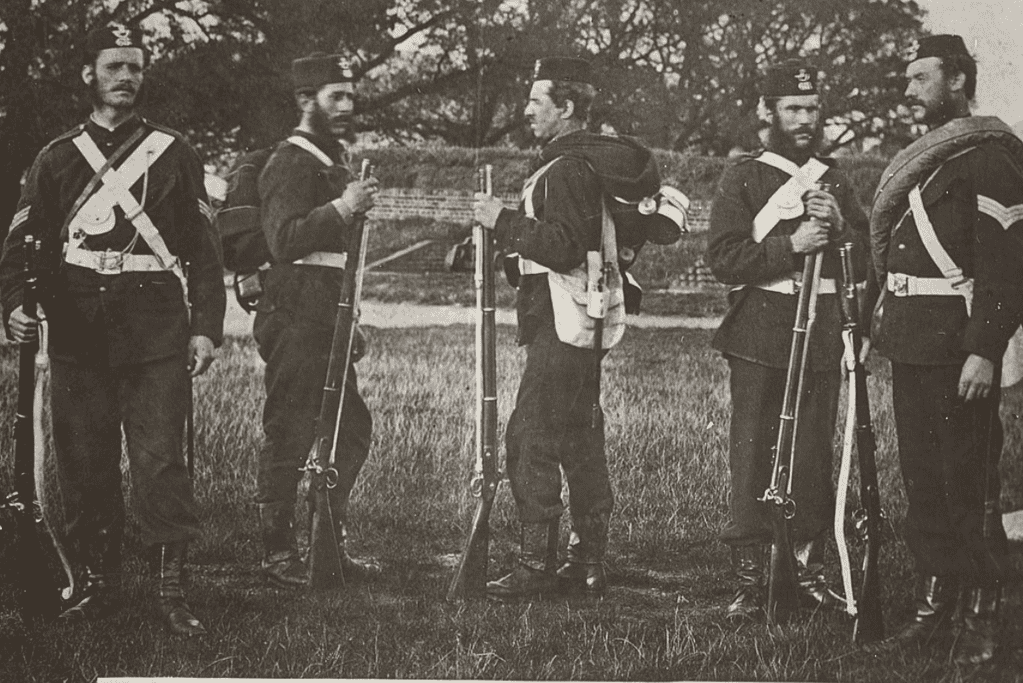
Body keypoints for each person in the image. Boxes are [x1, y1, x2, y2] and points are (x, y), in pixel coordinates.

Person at [0, 23, 225, 636]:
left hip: (156, 334)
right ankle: (99, 585)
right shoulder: (56, 158)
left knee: (161, 465)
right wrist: (17, 304)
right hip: (77, 335)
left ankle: (171, 592)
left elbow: (204, 252)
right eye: (113, 67)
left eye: (135, 67)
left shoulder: (174, 152)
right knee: (84, 465)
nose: (126, 77)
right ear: (89, 77)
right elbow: (23, 247)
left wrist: (206, 328)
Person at [473, 57, 671, 599]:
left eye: (537, 101)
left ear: (566, 108)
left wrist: (501, 221)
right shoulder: (588, 164)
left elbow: (561, 247)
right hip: (587, 318)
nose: (526, 110)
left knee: (531, 435)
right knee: (580, 439)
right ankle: (588, 561)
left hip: (562, 321)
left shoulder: (564, 169)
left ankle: (536, 568)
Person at [865, 35, 1023, 664]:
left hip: (960, 350)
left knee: (969, 481)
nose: (909, 91)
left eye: (921, 78)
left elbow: (1005, 270)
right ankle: (935, 605)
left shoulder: (990, 160)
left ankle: (983, 611)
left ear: (958, 80)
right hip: (913, 345)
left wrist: (984, 350)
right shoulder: (925, 161)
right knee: (924, 480)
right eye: (908, 78)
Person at [706, 59, 869, 621]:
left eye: (812, 108)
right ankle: (752, 581)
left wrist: (843, 232)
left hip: (820, 334)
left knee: (812, 455)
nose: (805, 119)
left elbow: (867, 257)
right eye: (793, 108)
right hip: (759, 334)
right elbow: (724, 258)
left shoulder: (837, 178)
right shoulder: (743, 177)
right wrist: (792, 243)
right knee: (752, 452)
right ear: (768, 112)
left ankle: (806, 571)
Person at [253, 53, 380, 588]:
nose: (348, 106)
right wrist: (345, 208)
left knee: (349, 429)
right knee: (289, 429)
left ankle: (326, 540)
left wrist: (352, 319)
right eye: (336, 96)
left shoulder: (334, 160)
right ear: (307, 100)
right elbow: (283, 240)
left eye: (351, 95)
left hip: (328, 314)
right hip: (295, 312)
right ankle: (278, 552)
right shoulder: (290, 161)